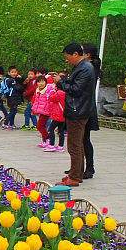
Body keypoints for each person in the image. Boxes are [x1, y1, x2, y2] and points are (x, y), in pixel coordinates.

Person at [58, 43, 96, 186]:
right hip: (78, 109)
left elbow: (76, 89)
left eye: (68, 57)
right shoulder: (82, 67)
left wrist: (60, 83)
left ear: (75, 54)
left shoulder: (85, 68)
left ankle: (74, 177)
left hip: (78, 110)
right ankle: (77, 174)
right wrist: (62, 80)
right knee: (77, 144)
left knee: (74, 145)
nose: (66, 60)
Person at [81, 43, 100, 179]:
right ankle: (79, 166)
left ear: (88, 55)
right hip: (84, 106)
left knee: (85, 139)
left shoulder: (89, 68)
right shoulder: (85, 67)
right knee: (79, 139)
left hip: (85, 107)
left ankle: (89, 167)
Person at [32, 74, 52, 147]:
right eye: (39, 82)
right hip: (41, 111)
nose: (41, 84)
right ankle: (45, 141)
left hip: (46, 111)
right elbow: (36, 101)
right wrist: (34, 110)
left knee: (39, 126)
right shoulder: (38, 91)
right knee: (42, 126)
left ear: (46, 82)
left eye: (42, 82)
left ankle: (48, 138)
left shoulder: (48, 91)